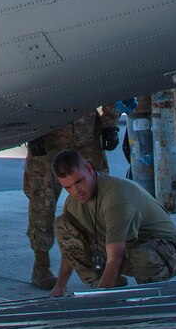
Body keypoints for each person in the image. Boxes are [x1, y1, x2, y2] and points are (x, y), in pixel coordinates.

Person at [49, 148, 176, 295]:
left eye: (79, 181)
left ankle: (151, 293)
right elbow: (70, 247)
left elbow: (116, 258)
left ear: (89, 169)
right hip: (125, 246)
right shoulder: (73, 203)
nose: (76, 191)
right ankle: (104, 282)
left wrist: (101, 301)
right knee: (63, 225)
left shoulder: (116, 198)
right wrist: (60, 286)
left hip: (164, 251)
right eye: (68, 187)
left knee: (142, 258)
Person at [23, 107, 119, 289]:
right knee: (42, 205)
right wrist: (32, 131)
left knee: (98, 203)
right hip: (48, 142)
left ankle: (101, 267)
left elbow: (106, 87)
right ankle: (41, 265)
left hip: (86, 138)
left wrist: (110, 123)